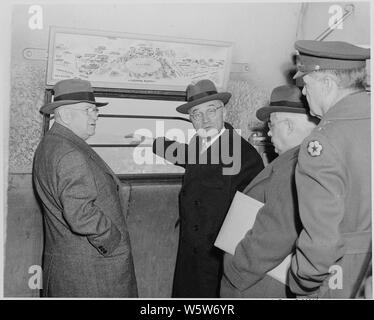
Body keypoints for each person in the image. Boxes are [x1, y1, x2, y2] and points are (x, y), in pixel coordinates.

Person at [152, 79, 264, 297]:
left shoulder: (246, 156)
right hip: (190, 248)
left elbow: (253, 216)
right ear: (191, 119)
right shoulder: (198, 144)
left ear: (223, 111)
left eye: (211, 111)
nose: (204, 120)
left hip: (217, 256)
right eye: (196, 114)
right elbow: (186, 156)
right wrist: (154, 143)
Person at [33, 79, 138, 297]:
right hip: (90, 270)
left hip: (69, 264)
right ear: (65, 115)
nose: (96, 115)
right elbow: (81, 214)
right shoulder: (70, 153)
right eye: (88, 110)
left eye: (95, 110)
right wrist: (113, 241)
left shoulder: (52, 144)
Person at [288, 40, 371, 298]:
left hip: (345, 276)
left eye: (306, 85)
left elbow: (322, 245)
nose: (303, 94)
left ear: (327, 84)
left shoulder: (322, 143)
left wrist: (300, 281)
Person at [221, 85, 318, 298]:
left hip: (259, 284)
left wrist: (236, 270)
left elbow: (275, 236)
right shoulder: (308, 162)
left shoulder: (292, 168)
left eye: (272, 125)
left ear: (289, 126)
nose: (268, 133)